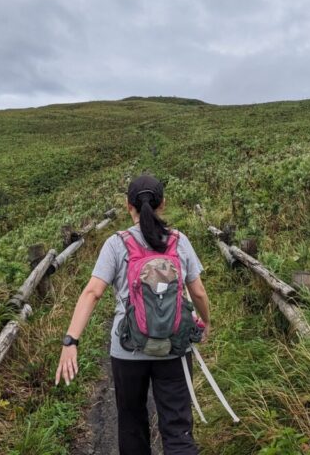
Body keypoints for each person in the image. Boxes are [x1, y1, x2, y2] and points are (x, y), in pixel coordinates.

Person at [55, 174, 212, 455]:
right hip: (175, 348)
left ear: (129, 206)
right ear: (162, 204)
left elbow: (92, 292)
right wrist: (206, 321)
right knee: (177, 428)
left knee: (131, 422)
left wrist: (71, 341)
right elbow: (198, 292)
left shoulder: (116, 244)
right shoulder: (179, 241)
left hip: (127, 349)